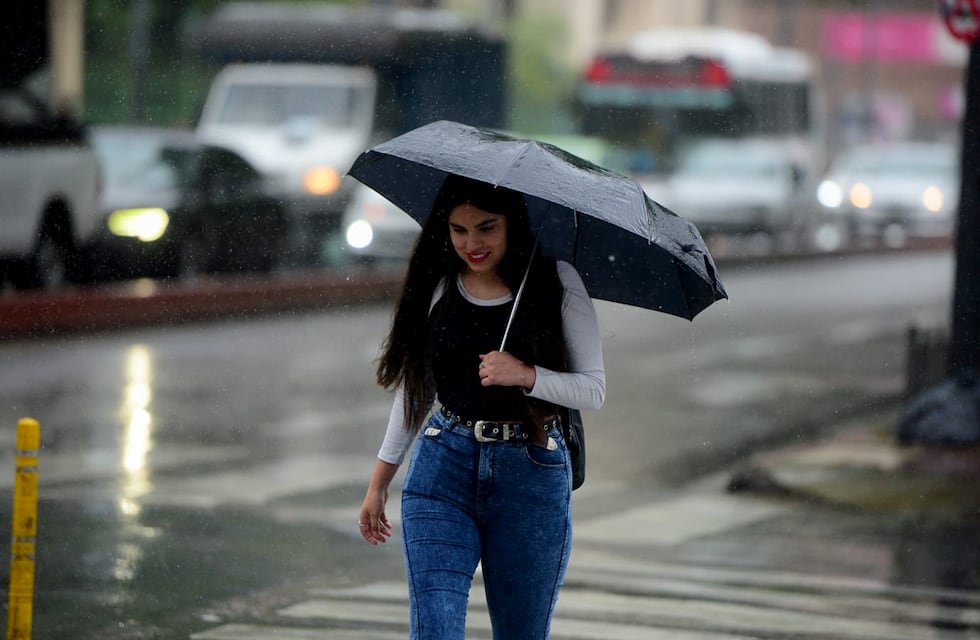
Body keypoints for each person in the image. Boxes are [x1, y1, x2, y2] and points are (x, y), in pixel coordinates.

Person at [358, 174, 605, 639]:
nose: (472, 243)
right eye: (459, 229)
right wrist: (379, 485)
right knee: (436, 630)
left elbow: (593, 390)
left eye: (486, 227)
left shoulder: (556, 281)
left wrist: (526, 376)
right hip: (442, 470)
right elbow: (414, 395)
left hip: (531, 475)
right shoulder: (438, 286)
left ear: (513, 224)